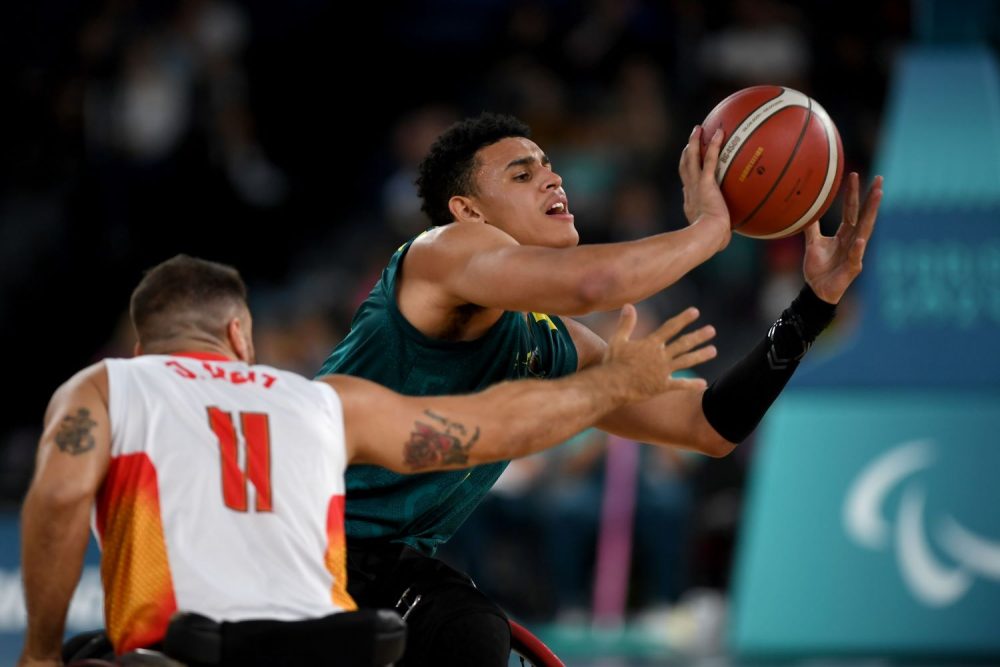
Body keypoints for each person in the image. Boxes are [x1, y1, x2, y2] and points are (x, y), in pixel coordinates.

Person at [317, 112, 883, 665]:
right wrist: (712, 230)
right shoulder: (438, 253)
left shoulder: (551, 341)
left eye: (548, 166)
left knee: (467, 627)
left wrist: (813, 308)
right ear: (468, 211)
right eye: (522, 174)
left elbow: (707, 425)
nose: (552, 178)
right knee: (466, 629)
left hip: (378, 563)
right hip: (299, 524)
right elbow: (595, 283)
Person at [18, 254, 717, 667]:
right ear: (240, 337)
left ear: (142, 350)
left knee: (84, 654)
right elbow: (491, 425)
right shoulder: (323, 402)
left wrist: (40, 651)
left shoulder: (108, 385)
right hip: (334, 649)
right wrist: (611, 384)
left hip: (188, 648)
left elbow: (58, 497)